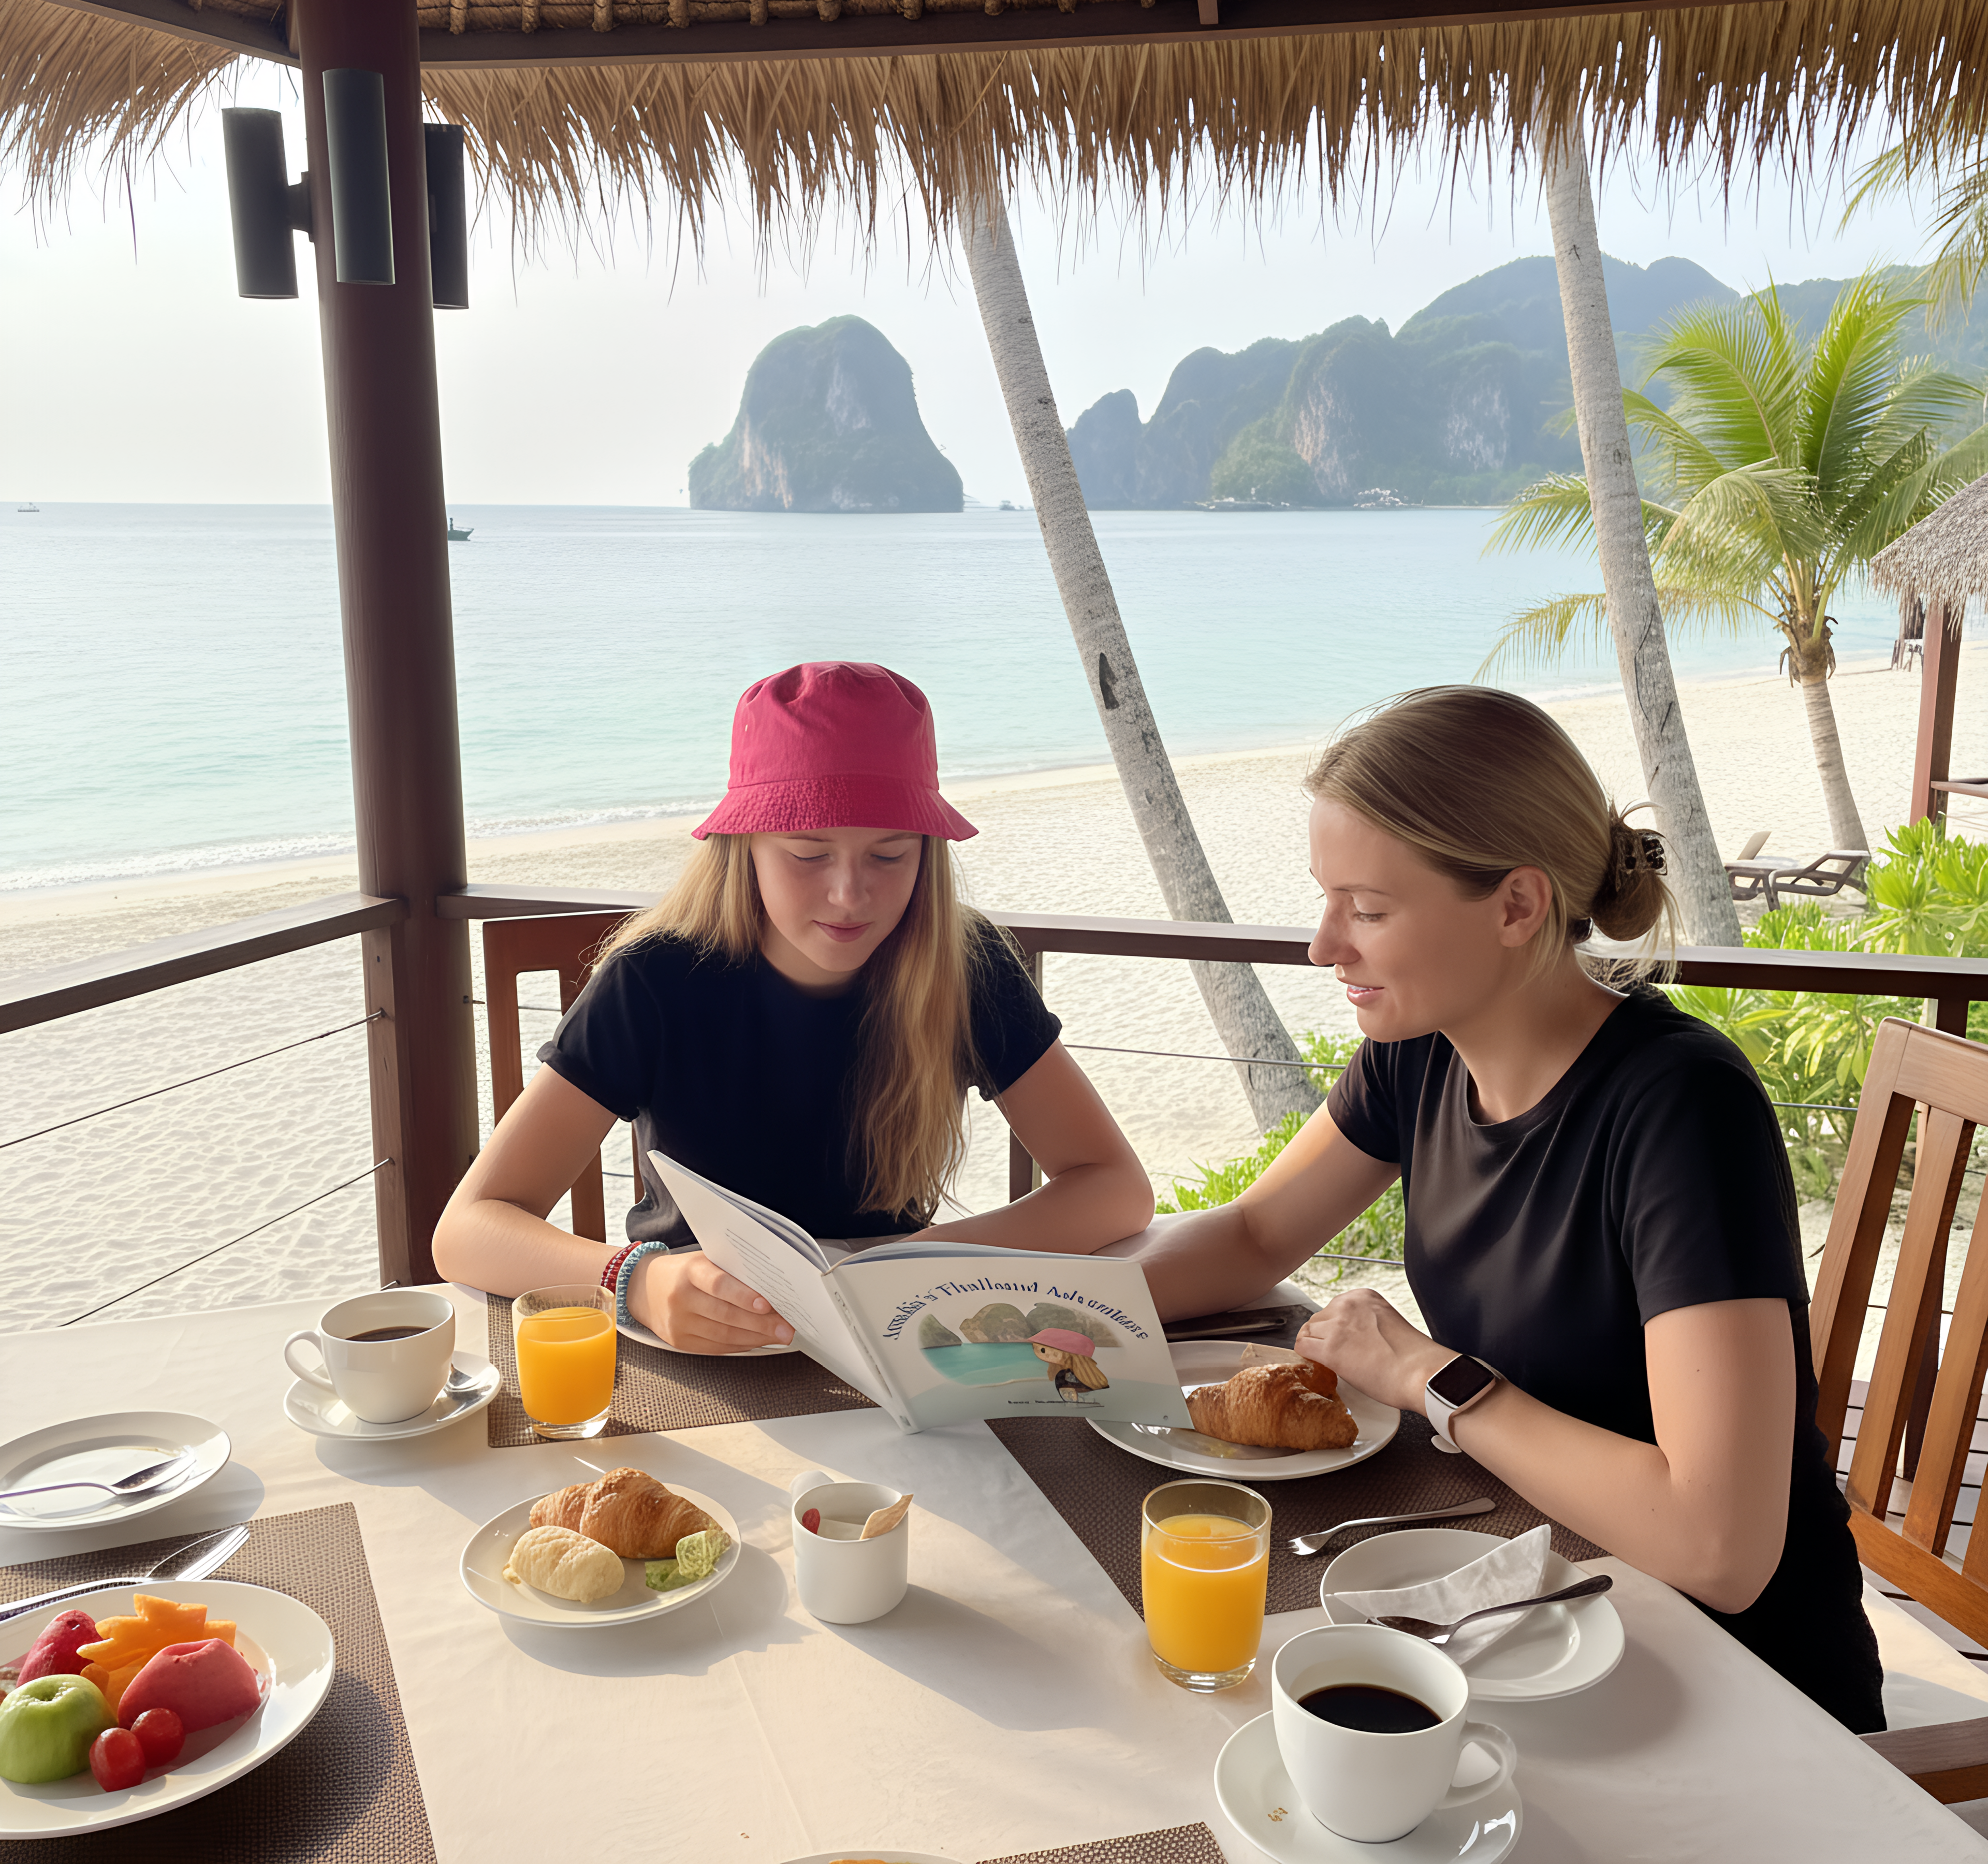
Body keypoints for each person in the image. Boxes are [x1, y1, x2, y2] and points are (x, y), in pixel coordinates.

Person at [1138, 685, 1883, 1731]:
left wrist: (1425, 1374)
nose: (1324, 947)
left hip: (1733, 1689)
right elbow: (1259, 1233)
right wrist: (1050, 1313)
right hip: (1538, 1615)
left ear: (1517, 906)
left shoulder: (1680, 1110)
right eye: (1328, 900)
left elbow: (1723, 1548)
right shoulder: (1420, 1057)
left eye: (1369, 909)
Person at [433, 661, 1152, 1352]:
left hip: (894, 1330)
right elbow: (467, 1230)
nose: (849, 894)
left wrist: (931, 1257)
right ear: (742, 847)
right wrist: (637, 1279)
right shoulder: (652, 982)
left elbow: (1116, 1188)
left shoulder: (966, 970)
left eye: (890, 855)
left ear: (926, 856)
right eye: (808, 855)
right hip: (701, 1337)